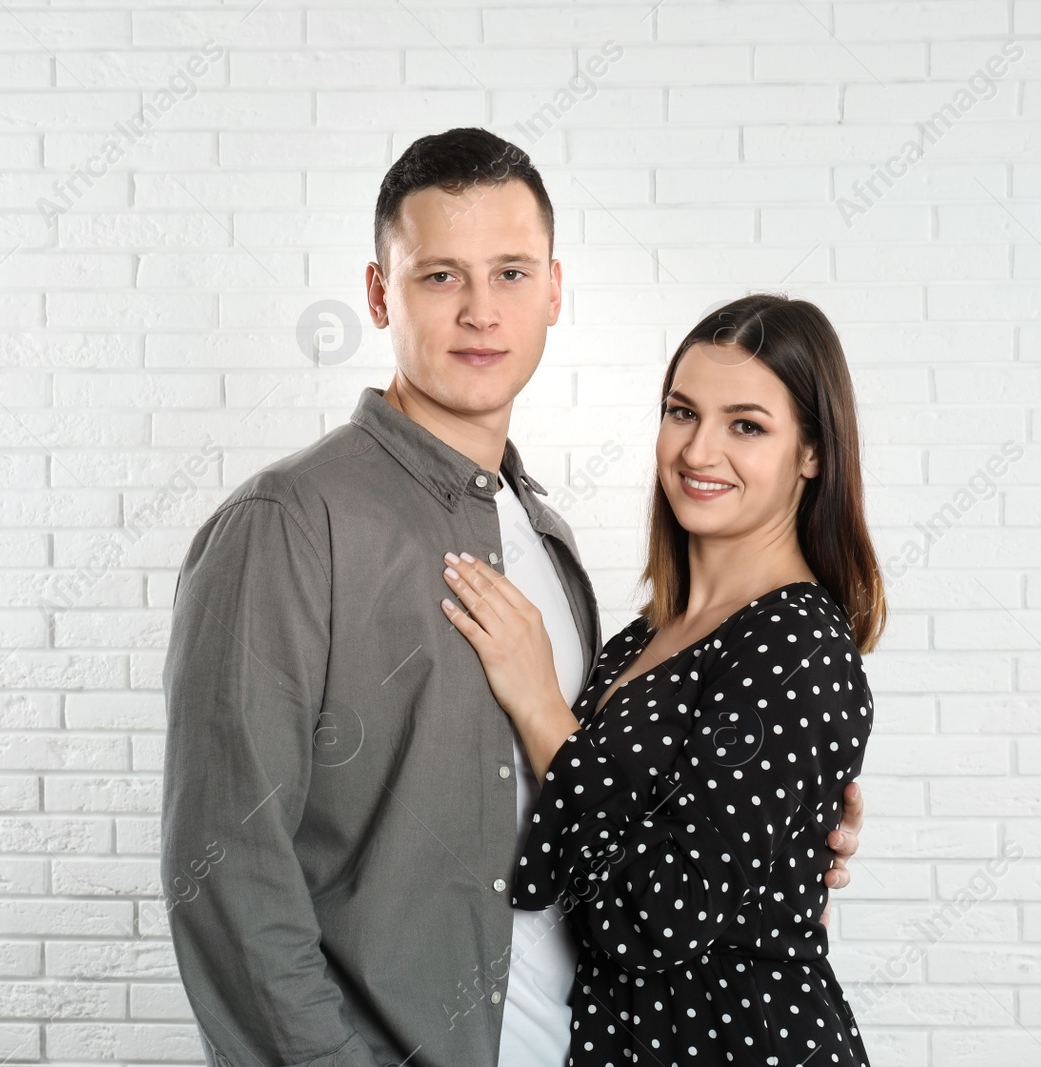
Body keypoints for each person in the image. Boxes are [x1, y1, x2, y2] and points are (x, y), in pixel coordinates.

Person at [161, 128, 866, 1067]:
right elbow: (226, 875)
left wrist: (775, 837)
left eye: (510, 273)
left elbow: (602, 808)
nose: (480, 313)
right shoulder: (290, 524)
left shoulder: (549, 544)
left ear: (554, 291)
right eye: (440, 277)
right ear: (380, 294)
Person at [437, 294, 883, 1065]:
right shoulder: (644, 636)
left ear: (811, 452)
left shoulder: (797, 640)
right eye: (682, 412)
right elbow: (561, 862)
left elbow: (657, 917)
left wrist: (542, 706)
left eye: (746, 424)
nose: (699, 451)